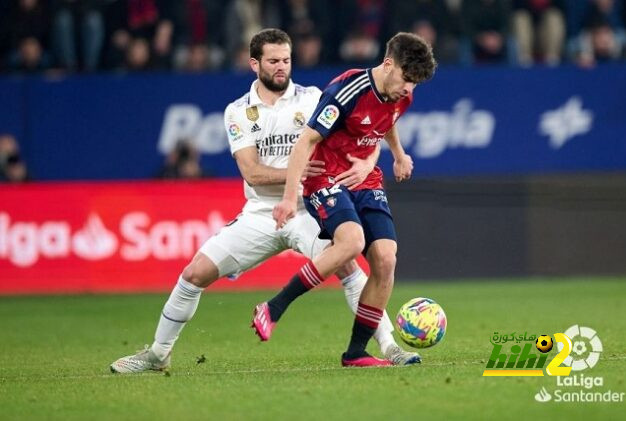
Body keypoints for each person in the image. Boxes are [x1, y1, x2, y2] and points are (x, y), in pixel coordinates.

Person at [110, 28, 420, 373]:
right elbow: (252, 173)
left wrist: (369, 160)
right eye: (273, 61)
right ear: (254, 63)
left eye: (286, 60)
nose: (281, 67)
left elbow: (368, 127)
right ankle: (157, 353)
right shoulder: (238, 112)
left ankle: (388, 345)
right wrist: (296, 172)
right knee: (193, 274)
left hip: (309, 207)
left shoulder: (313, 97)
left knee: (349, 263)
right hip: (260, 212)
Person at [252, 32, 437, 367]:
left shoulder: (401, 95)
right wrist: (291, 199)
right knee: (351, 242)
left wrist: (397, 154)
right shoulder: (346, 90)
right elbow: (305, 142)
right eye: (407, 80)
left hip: (365, 178)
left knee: (386, 259)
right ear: (388, 64)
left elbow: (386, 121)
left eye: (416, 84)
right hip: (327, 177)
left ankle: (355, 353)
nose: (410, 89)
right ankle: (274, 307)